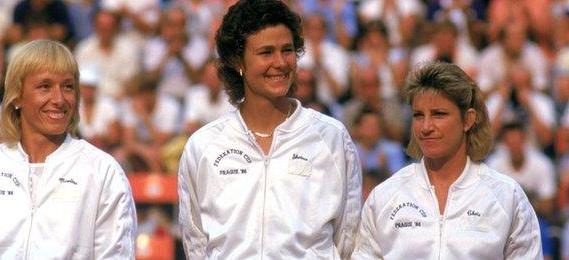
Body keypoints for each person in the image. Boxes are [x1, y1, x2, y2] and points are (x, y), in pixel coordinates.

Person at [178, 0, 362, 259]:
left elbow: (348, 238)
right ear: (237, 61)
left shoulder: (332, 137)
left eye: (287, 50)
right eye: (266, 52)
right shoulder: (203, 145)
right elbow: (196, 241)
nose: (280, 62)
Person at [0, 39, 137, 259]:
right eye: (45, 86)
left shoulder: (104, 172)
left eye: (68, 86)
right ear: (17, 97)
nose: (59, 99)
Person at [354, 61, 542, 259]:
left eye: (439, 114)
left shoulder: (506, 196)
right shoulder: (385, 197)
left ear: (468, 120)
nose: (426, 127)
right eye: (418, 115)